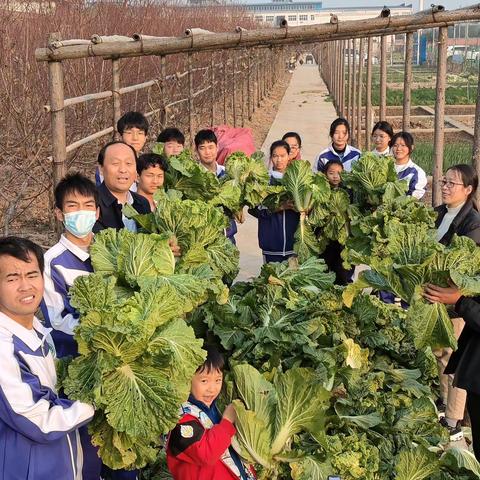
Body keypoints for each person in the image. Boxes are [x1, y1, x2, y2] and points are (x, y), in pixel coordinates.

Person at [0, 236, 94, 480]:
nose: (25, 286)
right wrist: (97, 399)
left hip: (63, 466)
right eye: (12, 278)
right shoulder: (4, 348)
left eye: (32, 275)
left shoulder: (41, 333)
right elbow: (39, 421)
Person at [424, 164, 480, 444]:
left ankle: (454, 419)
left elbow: (464, 268)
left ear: (468, 190)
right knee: (441, 354)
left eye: (452, 184)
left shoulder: (473, 224)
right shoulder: (440, 214)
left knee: (455, 358)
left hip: (458, 302)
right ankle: (445, 404)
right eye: (444, 181)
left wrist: (454, 298)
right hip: (438, 298)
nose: (445, 187)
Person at [166, 346, 256, 480]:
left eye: (218, 380)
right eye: (204, 381)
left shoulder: (215, 408)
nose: (212, 389)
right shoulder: (179, 419)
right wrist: (226, 421)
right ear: (186, 380)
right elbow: (206, 454)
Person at [249, 140, 299, 263]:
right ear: (271, 158)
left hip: (294, 246)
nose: (279, 160)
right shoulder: (264, 181)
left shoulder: (297, 180)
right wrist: (280, 207)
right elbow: (255, 210)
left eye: (283, 156)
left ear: (289, 156)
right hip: (271, 245)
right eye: (275, 156)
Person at [93, 141, 151, 234]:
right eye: (115, 163)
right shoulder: (92, 203)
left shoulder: (142, 203)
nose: (123, 170)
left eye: (128, 163)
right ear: (101, 168)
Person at [194, 129, 237, 244]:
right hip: (206, 241)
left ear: (217, 147)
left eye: (210, 147)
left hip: (228, 238)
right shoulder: (193, 177)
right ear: (196, 151)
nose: (207, 152)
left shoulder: (227, 174)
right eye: (202, 148)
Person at [320, 159, 353, 285]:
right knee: (324, 268)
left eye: (339, 173)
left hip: (342, 238)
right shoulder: (321, 191)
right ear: (325, 174)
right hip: (324, 238)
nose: (335, 176)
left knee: (341, 270)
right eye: (331, 173)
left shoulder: (348, 191)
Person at [96, 112, 149, 188]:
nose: (135, 138)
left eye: (140, 133)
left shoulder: (144, 163)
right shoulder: (109, 160)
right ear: (120, 136)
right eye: (129, 133)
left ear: (145, 138)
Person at [391, 131, 427, 200]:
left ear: (411, 147)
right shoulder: (386, 167)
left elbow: (414, 198)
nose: (398, 149)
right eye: (395, 145)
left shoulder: (417, 172)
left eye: (403, 145)